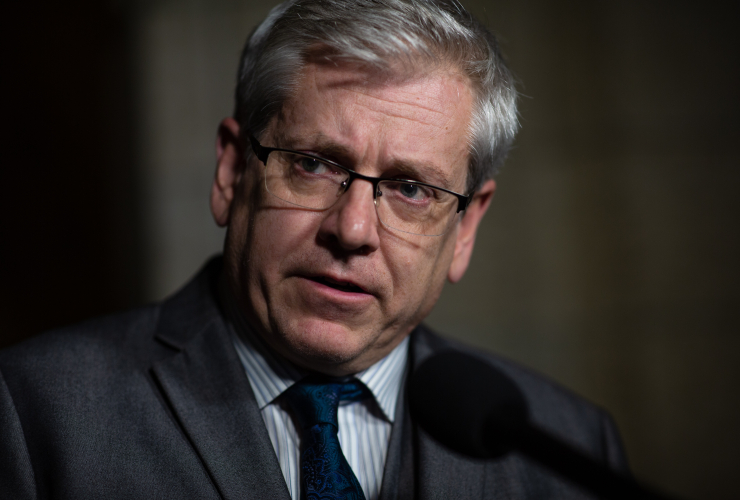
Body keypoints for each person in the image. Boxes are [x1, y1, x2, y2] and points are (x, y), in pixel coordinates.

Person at [0, 1, 628, 499]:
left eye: (411, 188)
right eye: (314, 164)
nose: (352, 230)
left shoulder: (571, 446)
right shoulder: (32, 413)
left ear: (465, 229)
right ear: (231, 173)